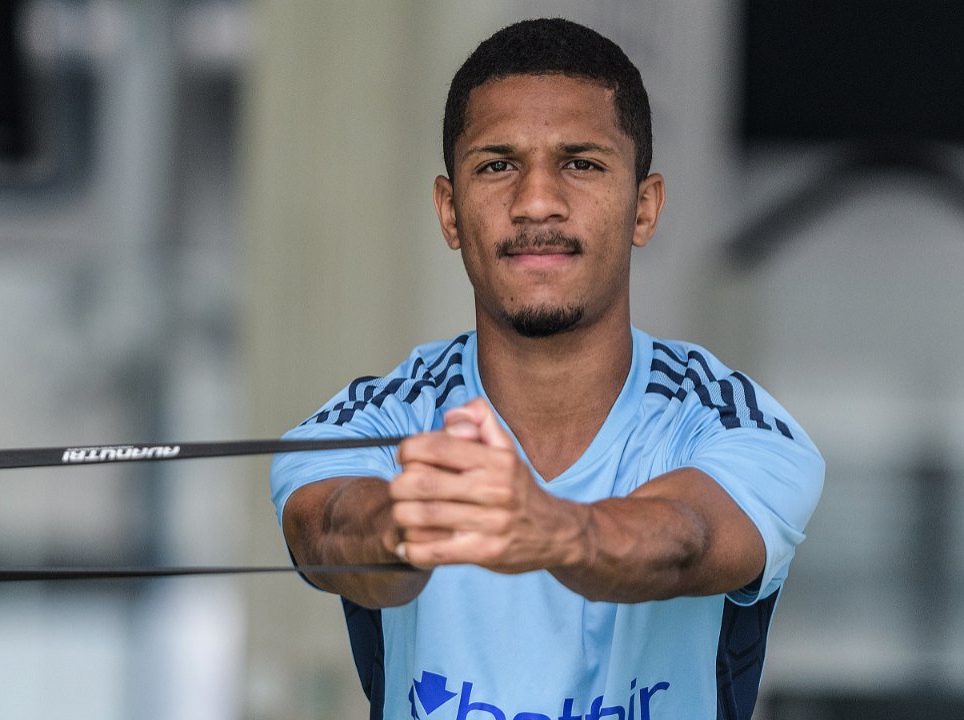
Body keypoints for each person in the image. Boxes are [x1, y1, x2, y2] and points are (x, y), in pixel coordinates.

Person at [270, 17, 823, 720]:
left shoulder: (728, 420)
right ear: (449, 212)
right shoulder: (376, 419)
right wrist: (401, 526)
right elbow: (327, 530)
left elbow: (690, 540)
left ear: (643, 207)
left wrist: (554, 528)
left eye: (581, 163)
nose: (536, 202)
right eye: (497, 164)